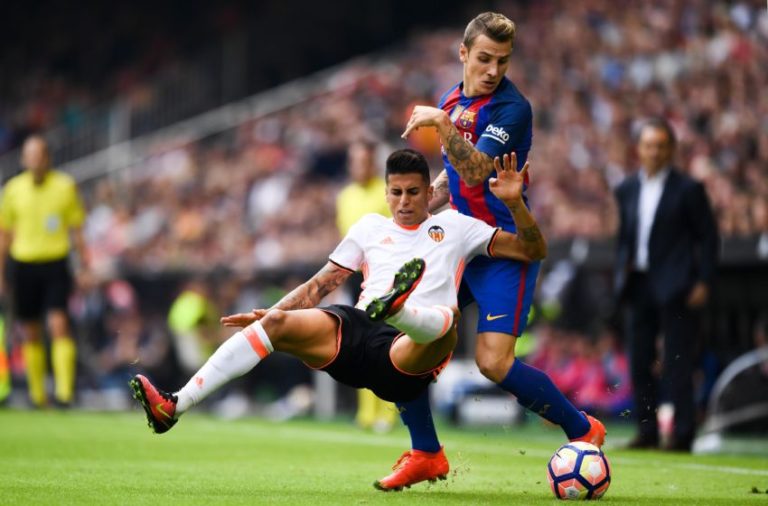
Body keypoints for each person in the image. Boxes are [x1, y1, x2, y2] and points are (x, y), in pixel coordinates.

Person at [130, 149, 545, 490]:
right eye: (396, 192)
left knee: (447, 322)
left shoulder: (455, 227)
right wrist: (274, 312)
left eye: (413, 192)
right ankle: (174, 406)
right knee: (275, 325)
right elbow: (320, 285)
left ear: (429, 193)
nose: (404, 201)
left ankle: (399, 309)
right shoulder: (369, 228)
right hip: (359, 332)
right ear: (386, 192)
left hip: (410, 352)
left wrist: (514, 204)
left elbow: (532, 250)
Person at [390, 11, 605, 490]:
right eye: (484, 59)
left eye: (502, 61)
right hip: (460, 245)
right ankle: (425, 453)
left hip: (506, 245)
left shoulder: (512, 108)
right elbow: (454, 176)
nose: (493, 70)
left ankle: (582, 429)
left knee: (493, 363)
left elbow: (475, 170)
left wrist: (442, 125)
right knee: (403, 342)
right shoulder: (451, 100)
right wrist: (418, 207)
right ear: (463, 53)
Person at [614, 118, 718, 452]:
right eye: (649, 145)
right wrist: (621, 272)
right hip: (638, 282)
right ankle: (647, 431)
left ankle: (683, 434)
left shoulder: (688, 189)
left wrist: (704, 280)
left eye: (661, 146)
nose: (654, 152)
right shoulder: (627, 188)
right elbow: (625, 236)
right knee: (639, 359)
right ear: (639, 149)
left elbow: (709, 238)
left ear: (671, 149)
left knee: (677, 360)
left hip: (677, 284)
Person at [0, 135, 89, 407]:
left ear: (47, 158)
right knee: (30, 330)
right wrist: (1, 272)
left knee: (58, 324)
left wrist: (84, 266)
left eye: (39, 155)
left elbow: (76, 230)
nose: (35, 161)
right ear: (23, 159)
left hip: (55, 263)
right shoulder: (13, 190)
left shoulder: (64, 186)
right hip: (24, 264)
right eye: (31, 156)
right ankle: (37, 395)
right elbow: (5, 235)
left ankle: (64, 394)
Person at [336, 140, 397, 432]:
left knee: (383, 341)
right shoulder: (344, 196)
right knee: (358, 342)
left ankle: (387, 412)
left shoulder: (385, 194)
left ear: (373, 162)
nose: (358, 166)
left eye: (363, 160)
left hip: (383, 274)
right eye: (354, 160)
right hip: (354, 275)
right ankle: (366, 413)